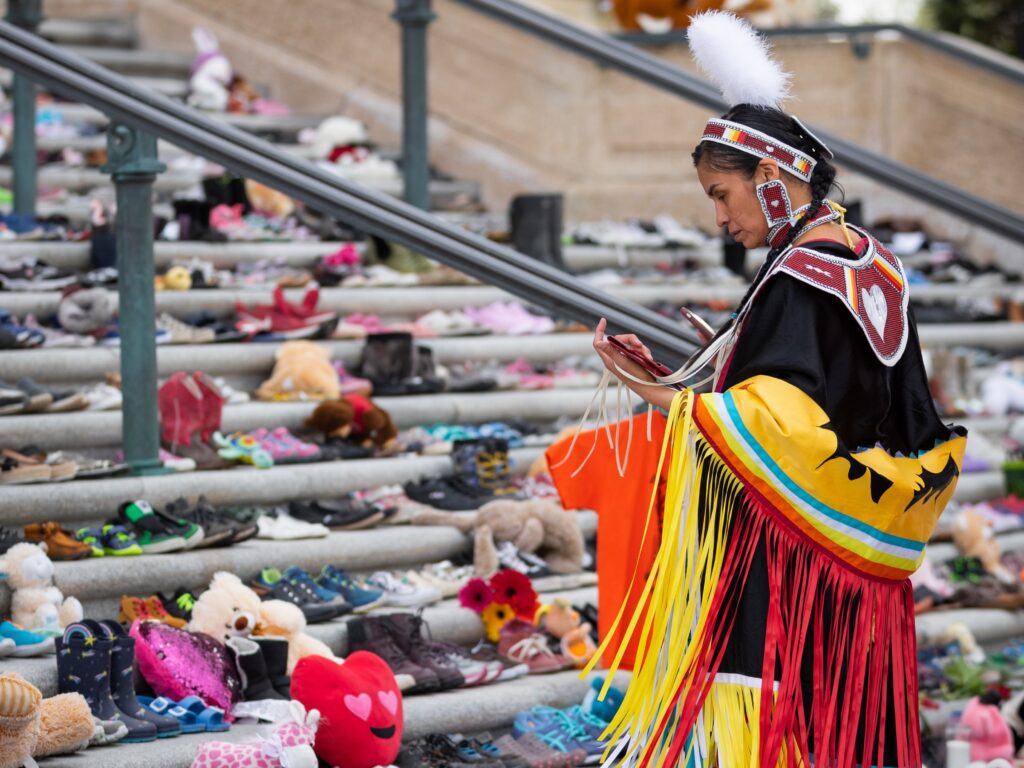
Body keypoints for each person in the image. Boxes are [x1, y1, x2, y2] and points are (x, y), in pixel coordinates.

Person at [580, 11, 967, 768]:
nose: (720, 216)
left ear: (774, 178)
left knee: (777, 723)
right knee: (842, 726)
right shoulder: (868, 257)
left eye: (723, 194)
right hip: (857, 566)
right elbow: (837, 396)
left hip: (791, 561)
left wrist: (654, 390)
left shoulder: (798, 278)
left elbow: (779, 426)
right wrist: (714, 363)